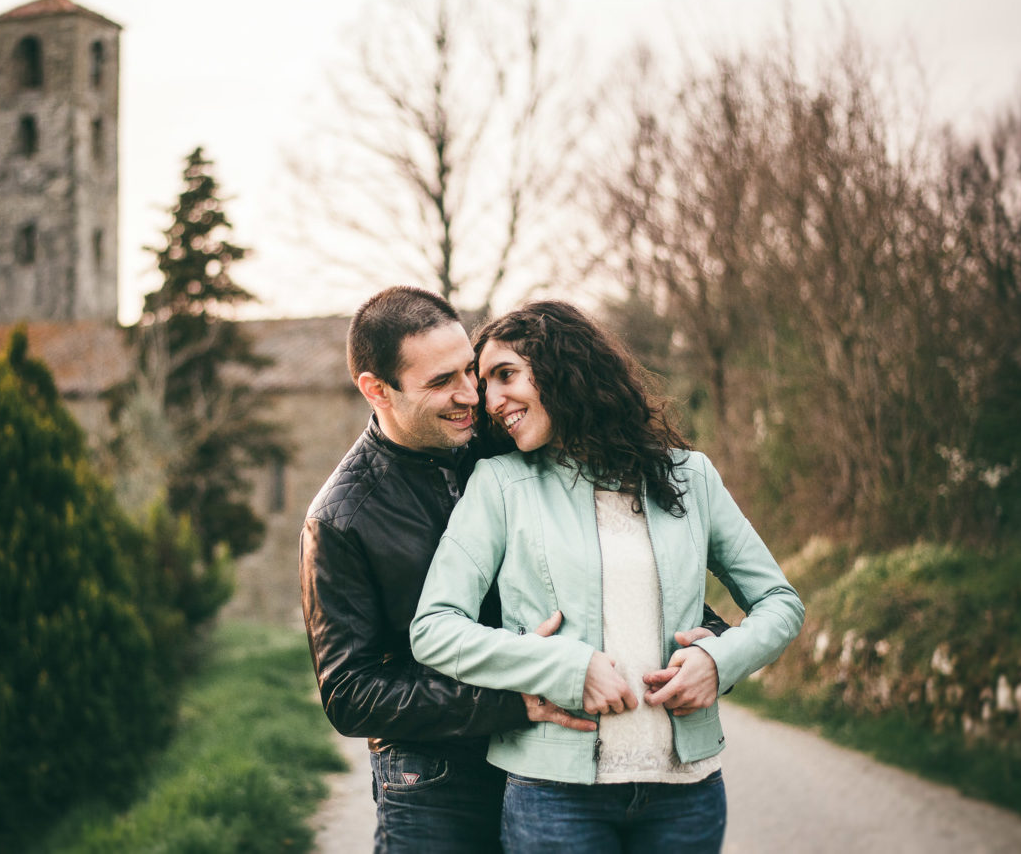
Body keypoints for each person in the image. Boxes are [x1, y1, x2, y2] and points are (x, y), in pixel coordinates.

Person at [300, 287, 728, 853]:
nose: (468, 397)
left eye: (467, 372)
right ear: (376, 390)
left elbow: (601, 561)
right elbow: (352, 694)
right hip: (437, 780)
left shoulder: (510, 441)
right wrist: (509, 702)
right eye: (439, 383)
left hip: (551, 761)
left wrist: (708, 636)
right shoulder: (341, 519)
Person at [410, 300, 804, 853]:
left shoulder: (691, 477)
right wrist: (565, 665)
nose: (490, 400)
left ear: (565, 369)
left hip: (686, 794)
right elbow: (434, 628)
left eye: (506, 374)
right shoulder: (500, 484)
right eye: (484, 381)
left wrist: (719, 661)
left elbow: (781, 602)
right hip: (555, 797)